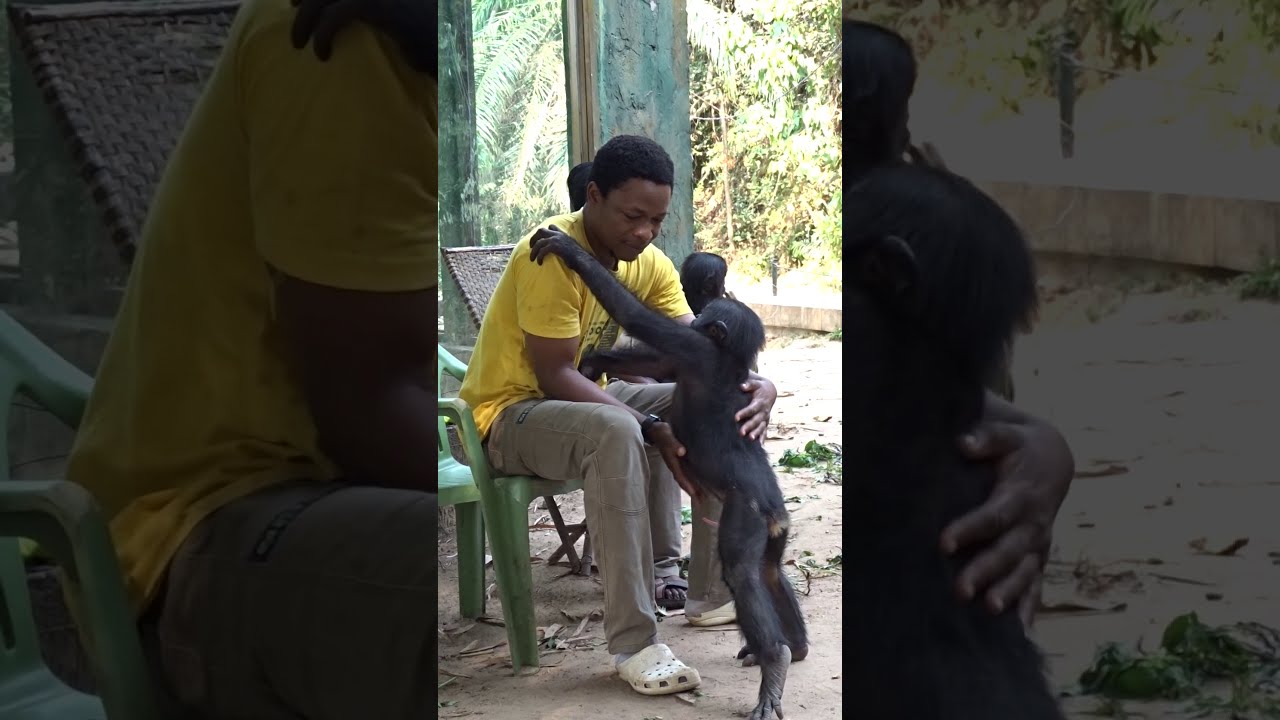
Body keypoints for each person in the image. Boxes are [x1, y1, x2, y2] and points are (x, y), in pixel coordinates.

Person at [61, 0, 437, 717]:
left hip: (346, 476)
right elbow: (364, 411)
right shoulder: (346, 35)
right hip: (210, 521)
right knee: (441, 585)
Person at [460, 135, 764, 694]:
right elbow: (554, 374)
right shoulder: (549, 250)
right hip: (507, 415)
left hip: (580, 400)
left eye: (656, 219)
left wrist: (755, 385)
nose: (645, 231)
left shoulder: (646, 264)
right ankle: (635, 642)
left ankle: (714, 592)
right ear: (594, 196)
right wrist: (649, 423)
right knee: (619, 426)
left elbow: (694, 355)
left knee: (723, 402)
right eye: (632, 216)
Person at [845, 17, 1071, 626]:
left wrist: (1048, 452)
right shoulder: (892, 230)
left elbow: (957, 399)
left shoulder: (910, 212)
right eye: (903, 109)